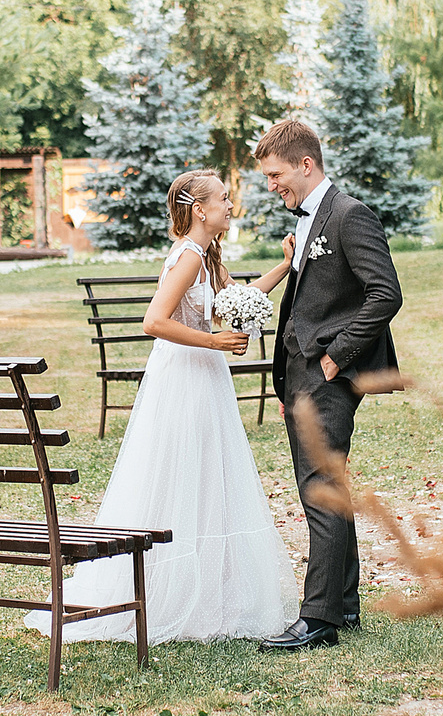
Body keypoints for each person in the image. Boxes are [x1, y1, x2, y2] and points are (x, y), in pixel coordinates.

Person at [25, 170, 297, 644]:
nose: (232, 206)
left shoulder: (208, 256)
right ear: (200, 210)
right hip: (186, 378)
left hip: (205, 377)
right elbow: (154, 320)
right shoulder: (189, 257)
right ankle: (172, 591)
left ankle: (213, 589)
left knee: (209, 476)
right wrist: (213, 341)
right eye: (225, 199)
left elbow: (238, 299)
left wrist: (286, 268)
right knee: (183, 474)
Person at [253, 118, 403, 653]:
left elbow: (385, 294)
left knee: (320, 487)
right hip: (299, 371)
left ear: (305, 164)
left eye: (276, 175)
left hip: (325, 376)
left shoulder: (349, 215)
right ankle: (343, 604)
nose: (272, 186)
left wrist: (336, 360)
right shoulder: (311, 219)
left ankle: (318, 618)